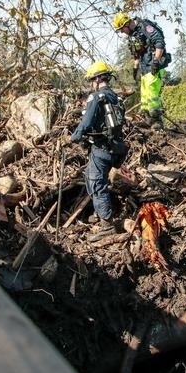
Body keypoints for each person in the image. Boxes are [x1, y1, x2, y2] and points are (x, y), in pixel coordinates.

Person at [71, 61, 128, 242]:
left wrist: (73, 137)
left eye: (91, 81)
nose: (91, 84)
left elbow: (86, 123)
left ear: (96, 79)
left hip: (101, 149)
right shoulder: (115, 97)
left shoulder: (96, 97)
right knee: (91, 178)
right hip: (116, 148)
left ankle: (107, 225)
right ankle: (101, 212)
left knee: (97, 184)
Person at [113, 12, 172, 128]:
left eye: (121, 29)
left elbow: (159, 41)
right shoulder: (133, 34)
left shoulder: (144, 26)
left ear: (126, 24)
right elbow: (136, 52)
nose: (122, 32)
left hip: (154, 65)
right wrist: (135, 68)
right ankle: (147, 119)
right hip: (145, 67)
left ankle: (157, 121)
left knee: (151, 92)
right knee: (144, 94)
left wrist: (156, 61)